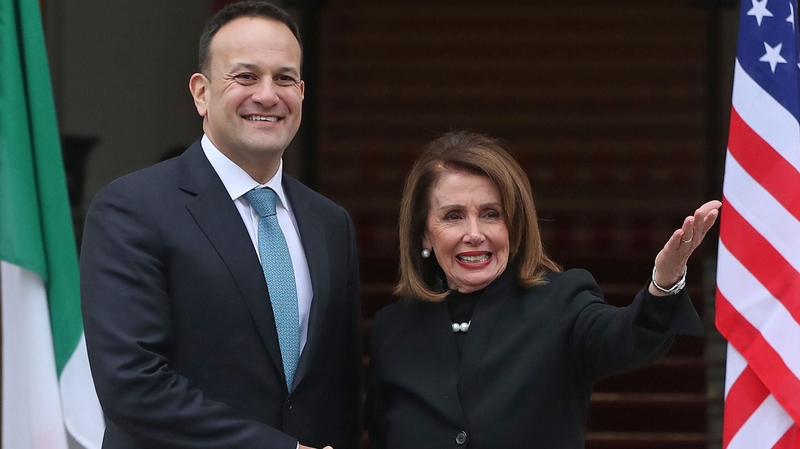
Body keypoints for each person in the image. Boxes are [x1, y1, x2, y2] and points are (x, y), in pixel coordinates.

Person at [79, 2, 362, 448]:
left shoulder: (330, 224)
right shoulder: (132, 209)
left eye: (284, 78)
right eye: (245, 76)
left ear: (302, 92)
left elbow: (340, 393)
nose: (267, 95)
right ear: (201, 93)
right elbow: (132, 385)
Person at [367, 131, 719, 448]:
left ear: (515, 225)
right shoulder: (393, 330)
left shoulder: (560, 303)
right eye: (453, 216)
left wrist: (664, 282)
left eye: (491, 214)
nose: (474, 234)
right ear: (424, 234)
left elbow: (626, 337)